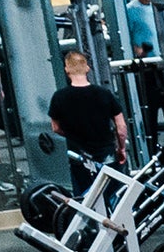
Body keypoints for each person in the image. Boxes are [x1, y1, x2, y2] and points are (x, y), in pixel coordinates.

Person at [43, 47, 127, 178]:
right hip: (106, 152)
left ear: (67, 70)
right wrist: (121, 148)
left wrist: (73, 135)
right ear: (87, 68)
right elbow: (121, 127)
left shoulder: (59, 97)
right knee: (113, 191)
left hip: (78, 155)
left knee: (84, 194)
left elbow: (55, 128)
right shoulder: (104, 94)